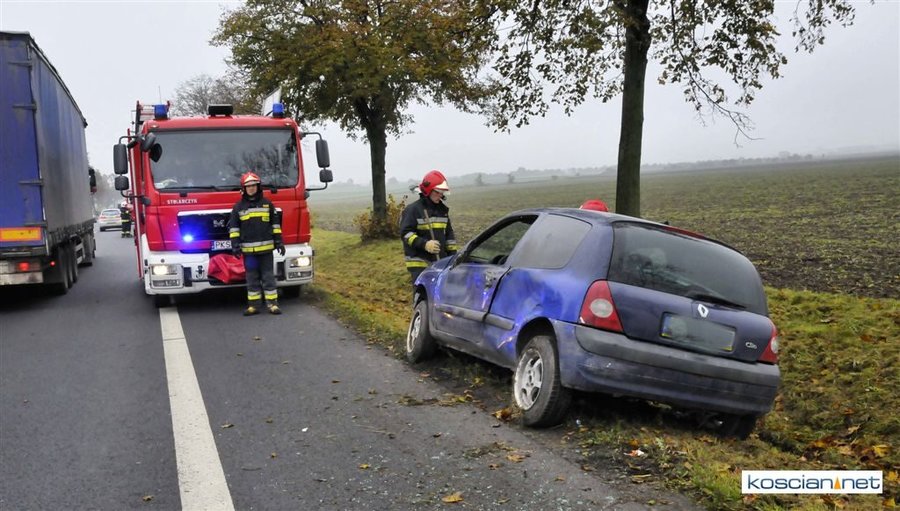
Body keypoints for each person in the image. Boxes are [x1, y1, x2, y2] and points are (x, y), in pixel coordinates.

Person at [228, 171, 285, 316]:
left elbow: (275, 225)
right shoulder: (238, 207)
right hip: (249, 253)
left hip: (266, 251)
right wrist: (235, 245)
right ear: (244, 188)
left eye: (254, 185)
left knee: (268, 277)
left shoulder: (267, 205)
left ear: (258, 187)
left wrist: (279, 242)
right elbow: (234, 229)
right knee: (252, 278)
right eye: (248, 186)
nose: (251, 188)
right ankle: (254, 306)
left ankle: (272, 304)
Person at [400, 170, 459, 286]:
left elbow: (449, 236)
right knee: (424, 294)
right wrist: (425, 244)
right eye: (437, 192)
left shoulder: (442, 211)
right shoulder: (413, 210)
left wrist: (453, 259)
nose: (440, 195)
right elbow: (405, 233)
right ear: (428, 190)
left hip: (440, 263)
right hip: (419, 264)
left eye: (442, 193)